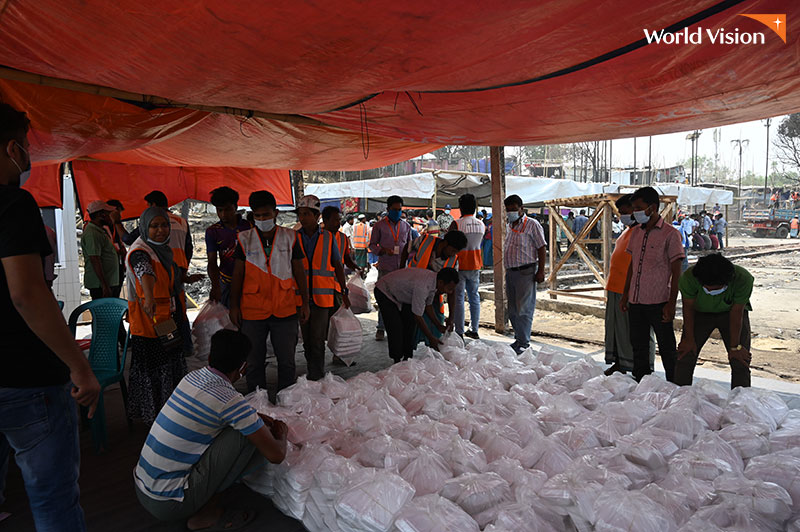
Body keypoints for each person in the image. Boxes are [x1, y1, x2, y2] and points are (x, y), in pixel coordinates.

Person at [0, 103, 99, 531]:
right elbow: (26, 293)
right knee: (52, 500)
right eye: (24, 147)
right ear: (11, 149)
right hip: (26, 379)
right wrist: (79, 368)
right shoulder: (12, 203)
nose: (26, 158)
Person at [134, 329, 288, 531]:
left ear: (209, 357)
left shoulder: (191, 378)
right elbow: (276, 455)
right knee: (248, 437)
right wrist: (282, 432)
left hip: (144, 486)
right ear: (243, 367)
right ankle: (206, 514)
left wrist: (255, 419)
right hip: (169, 503)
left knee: (248, 427)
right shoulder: (230, 400)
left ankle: (203, 496)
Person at [229, 191, 309, 393]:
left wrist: (305, 303)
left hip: (285, 308)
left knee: (287, 361)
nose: (263, 219)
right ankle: (258, 403)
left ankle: (287, 399)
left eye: (266, 215)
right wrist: (234, 306)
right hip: (253, 310)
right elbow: (237, 275)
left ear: (276, 212)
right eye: (258, 216)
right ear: (252, 216)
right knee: (254, 362)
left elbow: (299, 272)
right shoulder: (244, 239)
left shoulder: (290, 237)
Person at [125, 206, 189, 424]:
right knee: (156, 370)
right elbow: (145, 272)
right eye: (154, 226)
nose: (160, 230)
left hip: (165, 319)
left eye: (164, 225)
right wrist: (150, 297)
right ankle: (155, 417)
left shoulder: (161, 249)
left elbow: (165, 275)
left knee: (170, 365)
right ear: (144, 227)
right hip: (149, 322)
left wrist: (184, 280)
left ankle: (170, 413)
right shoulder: (140, 251)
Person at [621, 186, 685, 383]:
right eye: (634, 208)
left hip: (659, 300)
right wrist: (626, 295)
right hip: (637, 300)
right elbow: (632, 266)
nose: (635, 212)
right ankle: (642, 382)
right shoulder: (636, 233)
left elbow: (677, 271)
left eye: (639, 208)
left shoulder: (670, 234)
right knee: (639, 345)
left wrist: (672, 303)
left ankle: (673, 384)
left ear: (652, 207)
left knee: (666, 347)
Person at [675, 254, 754, 388]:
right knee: (686, 353)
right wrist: (689, 339)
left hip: (730, 313)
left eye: (716, 288)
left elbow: (737, 313)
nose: (711, 291)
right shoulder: (688, 278)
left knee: (740, 358)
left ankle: (741, 400)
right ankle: (679, 396)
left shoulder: (743, 278)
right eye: (707, 288)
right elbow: (688, 309)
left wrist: (735, 347)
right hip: (700, 313)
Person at [296, 196, 350, 380]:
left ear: (317, 215)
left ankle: (316, 376)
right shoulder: (293, 237)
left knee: (317, 340)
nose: (302, 218)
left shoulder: (328, 238)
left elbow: (337, 264)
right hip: (300, 298)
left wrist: (344, 291)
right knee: (308, 342)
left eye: (306, 214)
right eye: (300, 214)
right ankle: (313, 369)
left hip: (322, 299)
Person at [604, 195, 655, 375]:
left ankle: (641, 367)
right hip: (615, 287)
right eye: (620, 213)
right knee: (617, 329)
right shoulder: (627, 232)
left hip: (632, 289)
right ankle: (620, 362)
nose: (622, 216)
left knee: (636, 332)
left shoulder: (643, 232)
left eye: (625, 212)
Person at [374, 267, 459, 362]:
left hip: (401, 295)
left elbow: (428, 306)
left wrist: (438, 325)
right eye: (449, 289)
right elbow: (418, 316)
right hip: (385, 291)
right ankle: (397, 360)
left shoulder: (433, 284)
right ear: (441, 282)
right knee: (395, 327)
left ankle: (407, 357)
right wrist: (431, 337)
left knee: (409, 324)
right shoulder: (423, 286)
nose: (450, 292)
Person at [407, 230, 467, 345]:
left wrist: (451, 317)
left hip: (433, 297)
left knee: (436, 328)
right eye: (453, 250)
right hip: (411, 292)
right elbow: (407, 247)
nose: (453, 254)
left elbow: (451, 290)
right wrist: (401, 267)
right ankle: (407, 357)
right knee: (411, 326)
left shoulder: (454, 262)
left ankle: (433, 355)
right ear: (445, 243)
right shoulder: (425, 241)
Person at [504, 194, 547, 354]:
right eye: (508, 210)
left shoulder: (532, 225)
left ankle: (524, 342)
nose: (510, 212)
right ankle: (519, 338)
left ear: (522, 209)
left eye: (514, 209)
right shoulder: (510, 225)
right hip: (511, 272)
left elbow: (541, 247)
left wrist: (541, 271)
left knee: (524, 309)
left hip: (526, 271)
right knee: (513, 309)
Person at [369, 196, 412, 341]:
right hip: (386, 269)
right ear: (388, 209)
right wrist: (382, 250)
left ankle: (398, 327)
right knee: (384, 299)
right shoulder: (379, 226)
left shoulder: (406, 227)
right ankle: (381, 327)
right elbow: (372, 246)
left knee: (400, 299)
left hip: (401, 269)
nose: (398, 212)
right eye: (395, 210)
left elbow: (410, 247)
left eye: (400, 210)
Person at [205, 186, 252, 308]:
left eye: (227, 210)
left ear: (235, 207)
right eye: (219, 210)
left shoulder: (250, 227)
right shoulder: (212, 232)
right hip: (226, 281)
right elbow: (212, 261)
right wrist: (215, 286)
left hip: (249, 281)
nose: (223, 214)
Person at [448, 193, 485, 339]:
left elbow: (449, 242)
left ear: (461, 207)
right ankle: (474, 329)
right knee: (474, 297)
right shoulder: (481, 225)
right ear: (475, 207)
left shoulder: (457, 224)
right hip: (475, 264)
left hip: (459, 265)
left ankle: (459, 331)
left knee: (459, 298)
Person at [81, 200, 120, 299]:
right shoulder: (92, 232)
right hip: (100, 285)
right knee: (105, 313)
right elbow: (95, 259)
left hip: (108, 282)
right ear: (101, 215)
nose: (111, 216)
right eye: (109, 213)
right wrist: (104, 285)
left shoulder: (99, 230)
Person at [106, 199, 128, 295]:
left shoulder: (116, 226)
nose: (120, 216)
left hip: (118, 268)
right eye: (118, 212)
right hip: (108, 271)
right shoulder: (101, 228)